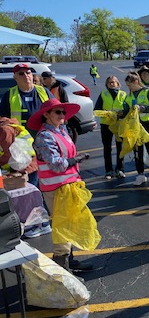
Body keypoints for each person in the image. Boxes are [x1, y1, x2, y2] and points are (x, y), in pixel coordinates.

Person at [28, 99, 92, 273]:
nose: (62, 115)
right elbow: (57, 165)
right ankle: (62, 271)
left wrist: (74, 159)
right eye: (57, 112)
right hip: (56, 189)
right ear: (46, 115)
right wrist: (75, 160)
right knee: (62, 227)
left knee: (70, 224)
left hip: (69, 186)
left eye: (63, 112)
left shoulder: (61, 130)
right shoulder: (44, 137)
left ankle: (69, 262)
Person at [122, 72, 149, 186]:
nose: (129, 88)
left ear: (136, 82)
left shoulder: (148, 91)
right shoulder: (129, 97)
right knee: (137, 151)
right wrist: (119, 114)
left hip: (147, 124)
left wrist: (141, 108)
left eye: (130, 85)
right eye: (128, 86)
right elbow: (126, 110)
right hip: (134, 127)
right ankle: (140, 174)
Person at [0, 64, 53, 139]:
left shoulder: (44, 91)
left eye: (28, 73)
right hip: (21, 140)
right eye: (21, 74)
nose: (26, 75)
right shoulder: (9, 94)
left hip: (44, 138)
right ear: (15, 77)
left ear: (31, 75)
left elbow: (56, 111)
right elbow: (3, 119)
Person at [94, 76, 127, 179]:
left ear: (118, 83)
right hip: (106, 124)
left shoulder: (123, 94)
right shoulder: (103, 94)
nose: (112, 84)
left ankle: (120, 169)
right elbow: (97, 110)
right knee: (107, 148)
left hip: (119, 124)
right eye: (110, 83)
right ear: (107, 84)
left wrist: (121, 114)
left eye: (114, 82)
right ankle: (109, 171)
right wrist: (108, 114)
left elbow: (127, 109)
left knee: (120, 147)